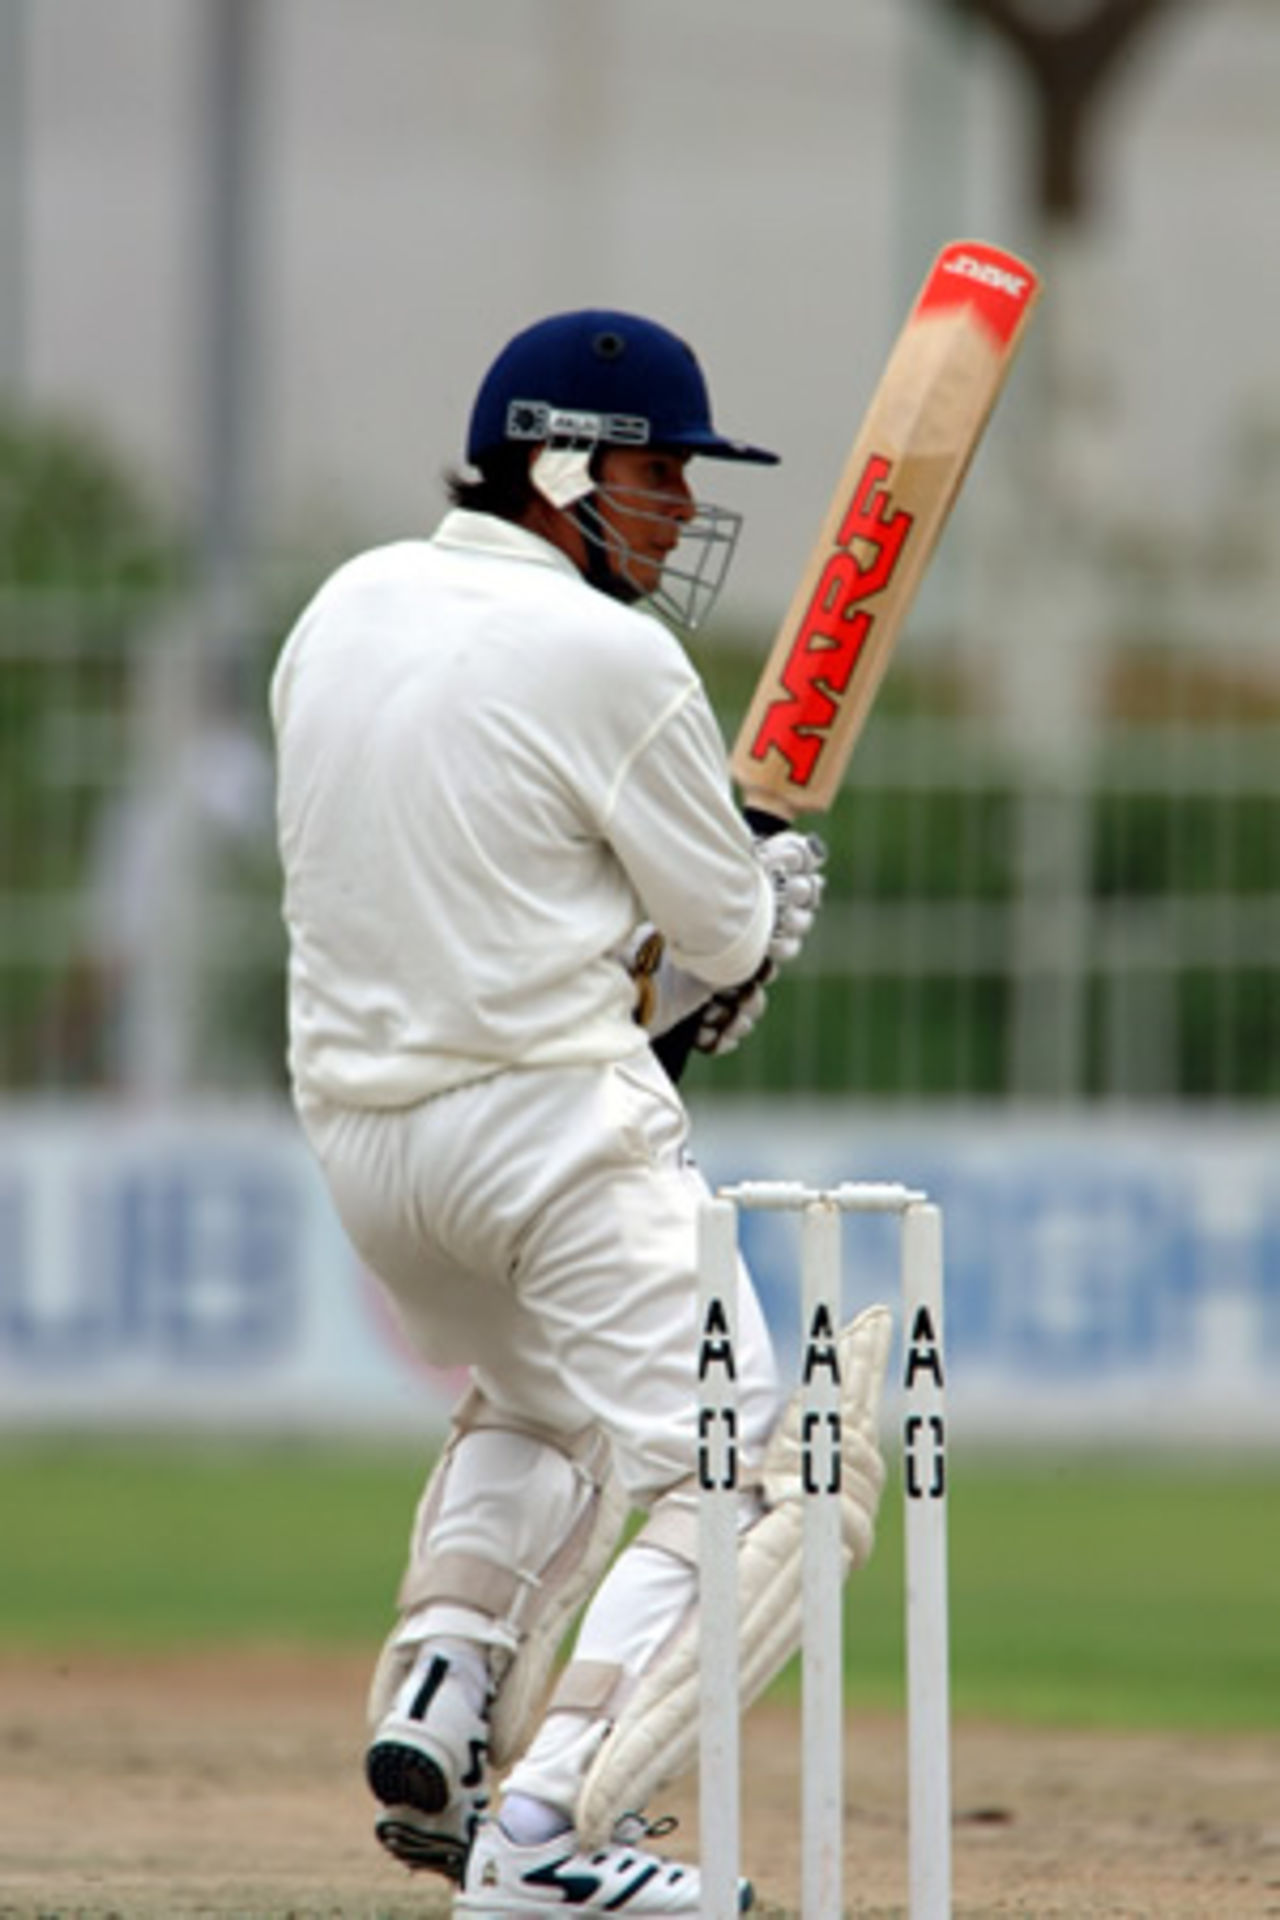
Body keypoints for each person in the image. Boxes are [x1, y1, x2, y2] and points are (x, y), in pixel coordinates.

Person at [270, 309, 888, 1916]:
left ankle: (445, 1690)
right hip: (554, 1136)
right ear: (559, 464)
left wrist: (665, 944)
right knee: (762, 1475)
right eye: (657, 468)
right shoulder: (615, 657)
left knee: (541, 1401)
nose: (681, 505)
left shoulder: (341, 610)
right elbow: (723, 942)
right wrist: (749, 889)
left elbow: (457, 876)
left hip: (366, 1149)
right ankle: (544, 1837)